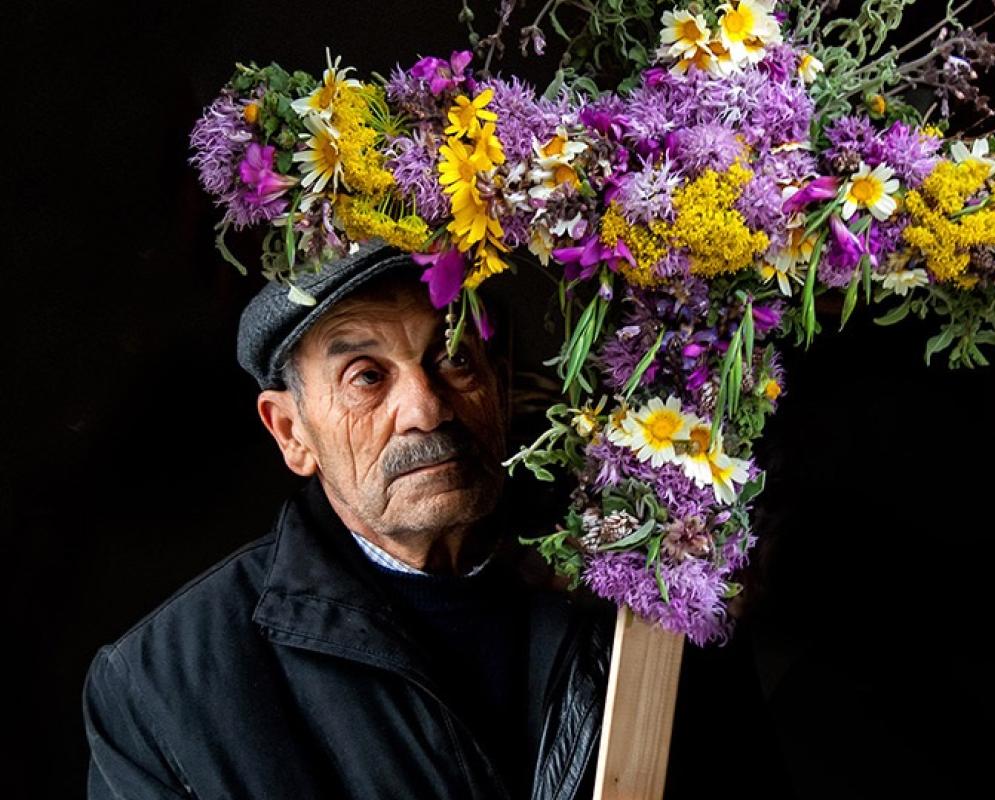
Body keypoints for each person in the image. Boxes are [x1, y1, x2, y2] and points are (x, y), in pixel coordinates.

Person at [81, 240, 616, 800]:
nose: (425, 410)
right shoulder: (160, 690)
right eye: (366, 377)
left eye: (453, 356)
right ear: (291, 433)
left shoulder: (640, 582)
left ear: (498, 380)